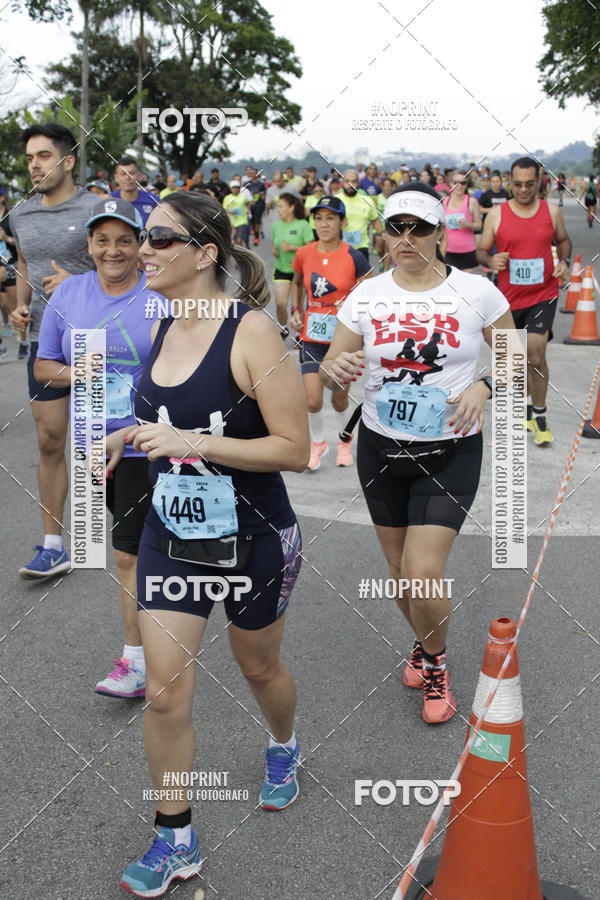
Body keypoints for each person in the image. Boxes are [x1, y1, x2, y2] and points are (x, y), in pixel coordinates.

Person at [111, 191, 309, 897]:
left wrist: (193, 441)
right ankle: (176, 838)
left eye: (161, 240)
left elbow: (295, 447)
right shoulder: (162, 322)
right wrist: (128, 435)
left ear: (205, 254)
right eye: (144, 236)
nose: (144, 250)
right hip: (175, 535)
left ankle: (283, 746)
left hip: (252, 535)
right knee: (164, 694)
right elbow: (168, 418)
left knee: (259, 668)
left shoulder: (251, 332)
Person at [320, 182, 514, 724]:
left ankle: (435, 662)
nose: (405, 239)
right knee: (398, 572)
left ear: (440, 233)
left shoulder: (478, 293)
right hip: (382, 446)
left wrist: (484, 387)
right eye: (395, 227)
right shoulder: (365, 294)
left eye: (419, 228)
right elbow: (335, 379)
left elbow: (516, 359)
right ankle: (425, 642)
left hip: (451, 447)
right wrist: (335, 372)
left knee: (423, 572)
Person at [34, 198, 160, 697]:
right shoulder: (68, 295)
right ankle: (166, 623)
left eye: (125, 240)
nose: (113, 250)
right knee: (127, 548)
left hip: (142, 442)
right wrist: (77, 372)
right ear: (89, 245)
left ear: (138, 245)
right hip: (90, 443)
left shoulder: (160, 294)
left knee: (126, 554)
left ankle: (136, 661)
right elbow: (44, 365)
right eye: (102, 240)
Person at [10, 122, 97, 580]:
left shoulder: (97, 208)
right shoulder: (21, 214)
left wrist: (80, 281)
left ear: (68, 161)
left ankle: (126, 533)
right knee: (49, 441)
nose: (35, 166)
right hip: (46, 342)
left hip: (96, 341)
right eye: (29, 159)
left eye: (43, 156)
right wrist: (21, 307)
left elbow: (127, 265)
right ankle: (53, 545)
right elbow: (26, 263)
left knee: (104, 444)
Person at [477, 156, 571, 445]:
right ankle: (526, 407)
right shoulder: (497, 215)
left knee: (536, 352)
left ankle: (540, 414)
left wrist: (564, 261)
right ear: (510, 182)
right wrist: (491, 259)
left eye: (530, 184)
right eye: (517, 184)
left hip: (543, 294)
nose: (523, 189)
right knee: (514, 360)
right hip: (507, 299)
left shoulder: (551, 211)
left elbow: (563, 241)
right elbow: (481, 251)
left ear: (539, 182)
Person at [290, 194, 372, 470]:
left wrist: (352, 308)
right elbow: (298, 283)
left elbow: (371, 294)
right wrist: (295, 310)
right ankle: (319, 442)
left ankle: (345, 439)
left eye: (330, 218)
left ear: (342, 222)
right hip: (312, 338)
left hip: (343, 340)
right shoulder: (304, 253)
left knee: (338, 398)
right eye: (319, 218)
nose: (324, 224)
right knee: (312, 399)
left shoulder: (355, 257)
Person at [271, 193, 313, 337]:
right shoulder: (276, 226)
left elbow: (311, 248)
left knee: (298, 307)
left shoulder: (303, 224)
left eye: (281, 206)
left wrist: (293, 247)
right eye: (278, 207)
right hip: (281, 268)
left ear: (291, 208)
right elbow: (273, 243)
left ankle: (297, 334)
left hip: (299, 272)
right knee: (281, 303)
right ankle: (283, 327)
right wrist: (273, 249)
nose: (278, 209)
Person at [338, 170, 383, 262]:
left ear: (358, 183)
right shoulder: (335, 200)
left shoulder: (367, 201)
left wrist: (382, 234)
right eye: (347, 181)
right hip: (339, 247)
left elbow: (374, 219)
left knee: (364, 276)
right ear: (342, 182)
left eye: (354, 181)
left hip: (361, 248)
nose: (350, 185)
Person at [442, 171, 482, 272]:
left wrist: (469, 224)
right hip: (448, 251)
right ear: (451, 183)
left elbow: (479, 225)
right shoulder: (444, 201)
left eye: (463, 183)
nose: (459, 186)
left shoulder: (471, 202)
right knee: (450, 284)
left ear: (466, 185)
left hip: (467, 251)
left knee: (467, 286)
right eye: (456, 182)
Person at [111, 156, 159, 225]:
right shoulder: (109, 201)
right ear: (116, 178)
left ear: (139, 176)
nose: (128, 177)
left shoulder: (153, 200)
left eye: (132, 173)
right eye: (123, 174)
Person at [243, 166, 267, 246]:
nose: (253, 174)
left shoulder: (261, 184)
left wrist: (262, 194)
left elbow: (265, 194)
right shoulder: (247, 184)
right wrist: (249, 194)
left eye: (254, 173)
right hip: (249, 205)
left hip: (259, 204)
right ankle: (253, 231)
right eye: (251, 173)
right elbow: (242, 194)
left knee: (257, 221)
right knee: (251, 221)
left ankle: (256, 237)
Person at [223, 180, 250, 247]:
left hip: (242, 221)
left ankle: (243, 253)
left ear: (239, 188)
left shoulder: (243, 197)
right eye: (233, 188)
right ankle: (240, 253)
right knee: (235, 241)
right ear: (231, 189)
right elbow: (224, 208)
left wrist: (248, 209)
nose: (235, 189)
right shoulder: (227, 198)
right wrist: (229, 212)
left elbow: (248, 203)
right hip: (232, 222)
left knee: (239, 240)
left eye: (237, 188)